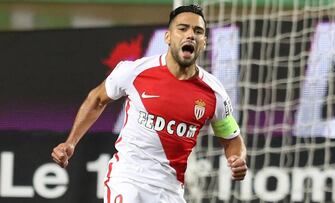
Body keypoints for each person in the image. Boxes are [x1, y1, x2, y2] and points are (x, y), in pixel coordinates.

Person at [52, 4, 247, 203]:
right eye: (183, 28)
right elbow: (97, 99)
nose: (190, 35)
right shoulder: (135, 71)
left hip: (169, 191)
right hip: (128, 180)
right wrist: (71, 142)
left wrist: (237, 158)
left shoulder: (214, 93)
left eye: (198, 31)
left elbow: (232, 138)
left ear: (204, 42)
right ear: (168, 37)